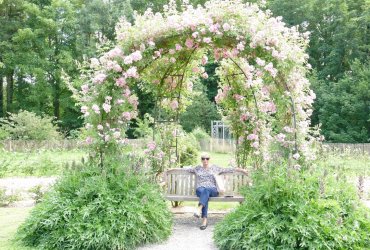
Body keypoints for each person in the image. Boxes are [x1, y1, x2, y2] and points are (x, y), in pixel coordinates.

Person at [186, 152, 247, 230]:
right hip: (200, 189)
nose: (205, 160)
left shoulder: (215, 167)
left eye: (207, 158)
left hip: (212, 189)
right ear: (201, 160)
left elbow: (228, 169)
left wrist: (242, 170)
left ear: (209, 159)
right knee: (205, 193)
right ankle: (204, 220)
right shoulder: (197, 168)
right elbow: (186, 169)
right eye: (203, 158)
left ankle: (199, 209)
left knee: (206, 191)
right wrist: (171, 169)